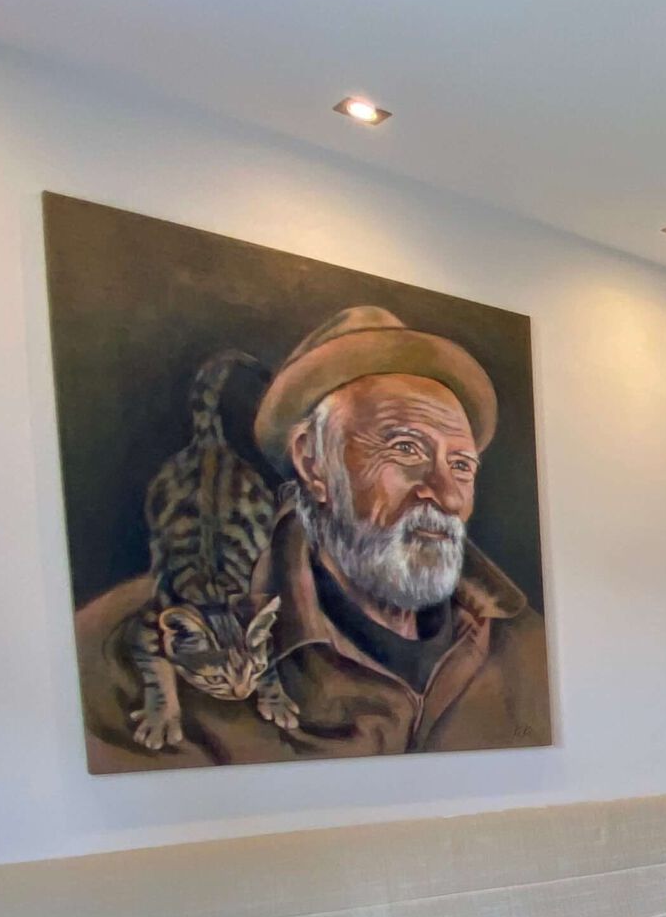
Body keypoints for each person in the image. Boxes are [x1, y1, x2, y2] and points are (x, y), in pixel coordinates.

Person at [75, 305, 549, 768]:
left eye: (461, 465)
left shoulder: (528, 645)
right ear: (313, 462)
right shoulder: (114, 653)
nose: (446, 495)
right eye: (406, 448)